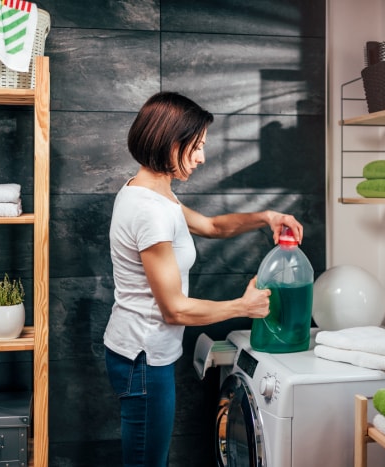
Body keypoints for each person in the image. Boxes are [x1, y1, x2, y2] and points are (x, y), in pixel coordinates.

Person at [103, 91, 305, 467]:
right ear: (169, 143)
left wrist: (267, 217)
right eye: (195, 147)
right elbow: (174, 309)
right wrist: (243, 306)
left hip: (137, 353)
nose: (202, 157)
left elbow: (212, 226)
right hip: (143, 359)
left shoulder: (153, 192)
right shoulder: (149, 211)